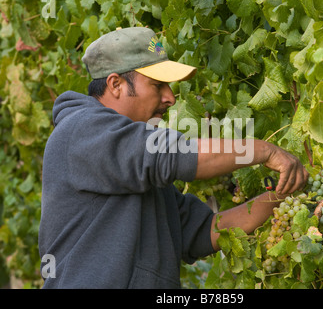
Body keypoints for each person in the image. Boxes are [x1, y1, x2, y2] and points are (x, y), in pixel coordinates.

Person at [38, 27, 308, 289]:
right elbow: (174, 155)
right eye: (158, 85)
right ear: (116, 84)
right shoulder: (82, 130)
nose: (170, 97)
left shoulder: (130, 158)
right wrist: (264, 151)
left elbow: (204, 231)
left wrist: (283, 194)